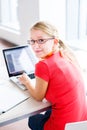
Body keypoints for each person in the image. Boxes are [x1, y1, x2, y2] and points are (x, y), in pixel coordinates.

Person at [18, 21, 87, 130]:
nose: (35, 46)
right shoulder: (65, 54)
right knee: (49, 110)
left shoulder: (43, 65)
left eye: (41, 40)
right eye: (32, 41)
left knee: (32, 119)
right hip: (81, 122)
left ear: (54, 42)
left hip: (62, 127)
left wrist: (27, 81)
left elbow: (38, 97)